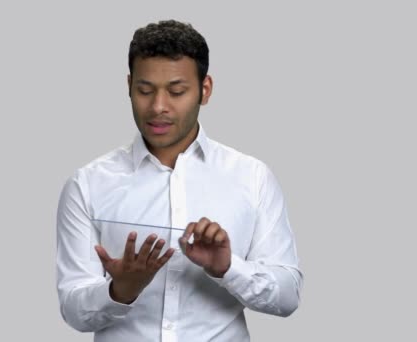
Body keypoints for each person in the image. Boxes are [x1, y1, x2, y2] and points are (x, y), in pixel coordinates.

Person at [56, 19, 303, 342]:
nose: (158, 107)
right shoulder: (87, 185)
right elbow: (73, 310)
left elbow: (288, 297)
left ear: (205, 89)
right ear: (129, 87)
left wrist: (229, 269)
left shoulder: (252, 177)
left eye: (176, 91)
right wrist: (119, 291)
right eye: (144, 90)